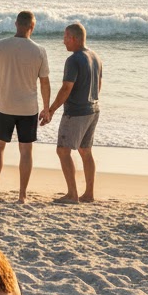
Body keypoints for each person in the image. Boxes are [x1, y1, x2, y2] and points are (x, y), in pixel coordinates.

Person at [0, 11, 50, 203]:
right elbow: (44, 82)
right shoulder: (39, 51)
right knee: (26, 151)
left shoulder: (0, 46)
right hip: (28, 108)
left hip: (4, 106)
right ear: (32, 27)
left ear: (16, 24)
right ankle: (22, 195)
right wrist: (47, 108)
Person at [40, 21, 102, 204]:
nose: (63, 41)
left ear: (74, 38)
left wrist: (50, 110)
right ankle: (88, 194)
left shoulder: (73, 60)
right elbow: (99, 86)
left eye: (66, 37)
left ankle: (72, 194)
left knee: (63, 150)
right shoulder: (95, 56)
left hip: (76, 112)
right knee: (85, 151)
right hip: (93, 109)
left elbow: (66, 88)